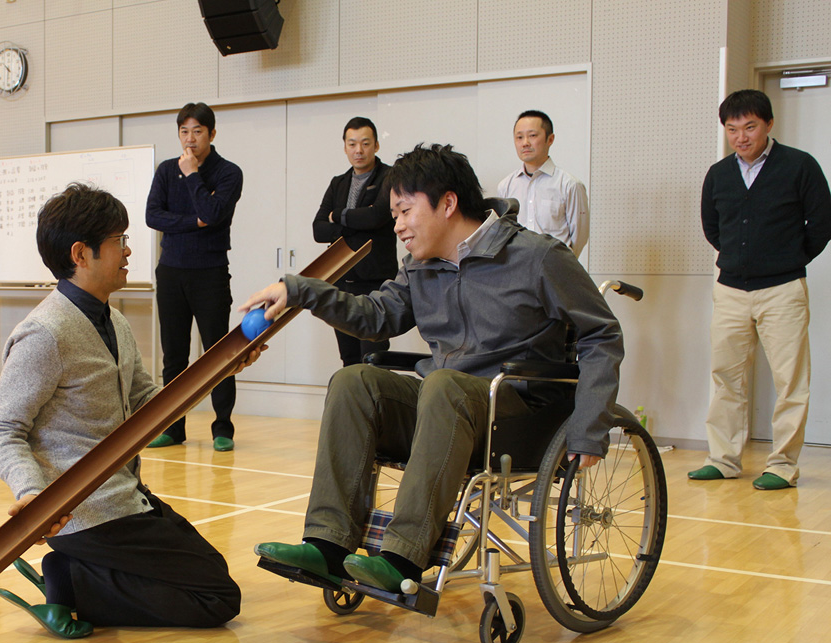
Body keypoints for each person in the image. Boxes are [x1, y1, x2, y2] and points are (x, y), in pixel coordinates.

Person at [248, 143, 621, 593]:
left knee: (443, 385)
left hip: (516, 417)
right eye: (394, 215)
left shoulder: (537, 257)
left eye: (405, 211)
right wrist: (303, 291)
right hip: (445, 412)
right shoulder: (419, 267)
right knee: (354, 380)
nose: (398, 226)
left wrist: (590, 425)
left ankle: (403, 556)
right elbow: (373, 317)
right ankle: (328, 547)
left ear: (448, 203)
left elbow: (602, 334)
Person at [0, 183, 244, 639]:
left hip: (123, 497)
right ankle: (71, 583)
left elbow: (148, 405)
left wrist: (219, 369)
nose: (128, 252)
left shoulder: (114, 319)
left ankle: (73, 572)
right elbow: (4, 428)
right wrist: (31, 495)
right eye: (119, 241)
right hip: (86, 512)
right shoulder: (44, 333)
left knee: (211, 571)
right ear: (81, 254)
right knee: (218, 597)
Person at [689, 90, 831, 490]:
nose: (741, 137)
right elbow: (712, 227)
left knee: (790, 380)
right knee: (725, 376)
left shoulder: (800, 166)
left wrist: (787, 258)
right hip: (731, 289)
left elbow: (821, 225)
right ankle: (723, 459)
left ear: (768, 124)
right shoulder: (719, 174)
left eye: (749, 127)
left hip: (783, 288)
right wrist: (739, 258)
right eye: (732, 129)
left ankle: (783, 465)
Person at [145, 102, 243, 451]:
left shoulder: (228, 173)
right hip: (171, 272)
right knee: (174, 356)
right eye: (184, 131)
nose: (189, 139)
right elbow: (153, 216)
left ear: (212, 134)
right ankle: (173, 428)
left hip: (210, 273)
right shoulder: (165, 170)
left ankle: (223, 428)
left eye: (197, 132)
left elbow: (213, 212)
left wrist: (192, 176)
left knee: (219, 353)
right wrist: (193, 223)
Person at [312, 116, 398, 367]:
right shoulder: (338, 183)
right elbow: (318, 230)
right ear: (345, 147)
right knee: (349, 358)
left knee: (374, 358)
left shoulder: (390, 177)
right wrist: (355, 225)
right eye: (352, 144)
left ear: (376, 146)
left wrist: (338, 216)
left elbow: (376, 216)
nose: (358, 150)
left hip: (375, 281)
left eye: (365, 143)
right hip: (341, 279)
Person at [495, 110, 589, 257]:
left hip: (556, 269)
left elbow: (579, 236)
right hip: (517, 269)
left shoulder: (570, 185)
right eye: (519, 137)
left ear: (550, 139)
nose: (525, 143)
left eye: (532, 136)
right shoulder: (506, 186)